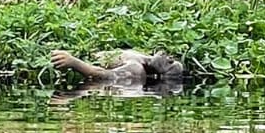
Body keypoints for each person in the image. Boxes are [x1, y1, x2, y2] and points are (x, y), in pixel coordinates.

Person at [50, 48, 183, 85]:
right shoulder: (143, 57)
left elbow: (105, 75)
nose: (169, 58)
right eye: (172, 58)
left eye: (170, 63)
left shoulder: (136, 69)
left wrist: (73, 62)